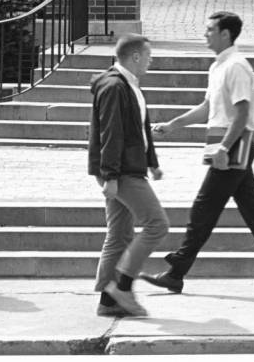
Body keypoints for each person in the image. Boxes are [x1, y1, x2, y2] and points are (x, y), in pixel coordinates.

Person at [143, 11, 254, 293]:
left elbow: (241, 113)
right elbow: (208, 107)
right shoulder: (218, 67)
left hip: (233, 143)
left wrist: (224, 149)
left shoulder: (237, 66)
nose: (205, 34)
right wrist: (173, 125)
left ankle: (177, 271)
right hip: (224, 142)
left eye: (209, 30)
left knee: (204, 208)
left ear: (225, 34)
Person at [88, 35, 170, 319]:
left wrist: (152, 162)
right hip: (120, 171)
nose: (151, 61)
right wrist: (110, 175)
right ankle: (122, 285)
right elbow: (111, 133)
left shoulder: (129, 85)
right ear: (134, 57)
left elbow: (140, 128)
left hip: (127, 167)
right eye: (148, 56)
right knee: (157, 224)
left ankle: (107, 302)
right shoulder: (114, 87)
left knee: (120, 235)